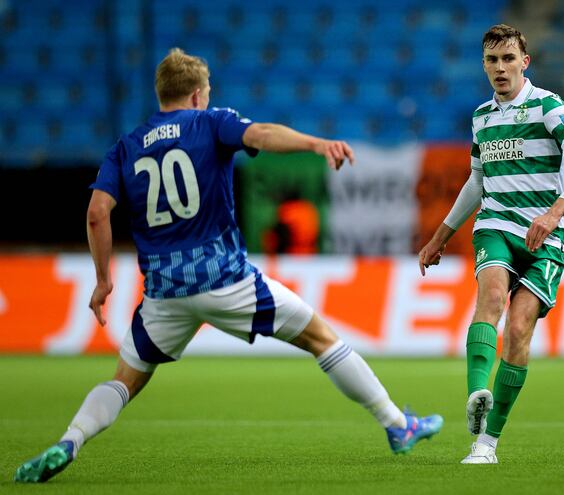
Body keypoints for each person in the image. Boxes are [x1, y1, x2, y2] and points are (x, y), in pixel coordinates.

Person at [14, 48, 443, 483]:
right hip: (224, 279)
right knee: (321, 338)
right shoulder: (210, 121)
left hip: (165, 294)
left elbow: (96, 213)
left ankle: (71, 439)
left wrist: (104, 281)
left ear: (161, 94)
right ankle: (396, 424)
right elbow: (261, 134)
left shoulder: (124, 148)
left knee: (125, 381)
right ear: (199, 94)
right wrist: (316, 144)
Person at [418, 24, 564, 464]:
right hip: (496, 225)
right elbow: (476, 183)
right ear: (483, 65)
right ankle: (477, 394)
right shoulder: (482, 117)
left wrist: (554, 213)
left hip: (544, 235)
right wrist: (440, 236)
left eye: (507, 59)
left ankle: (487, 444)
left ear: (525, 61)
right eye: (491, 60)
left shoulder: (549, 106)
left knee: (519, 331)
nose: (499, 68)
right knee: (492, 296)